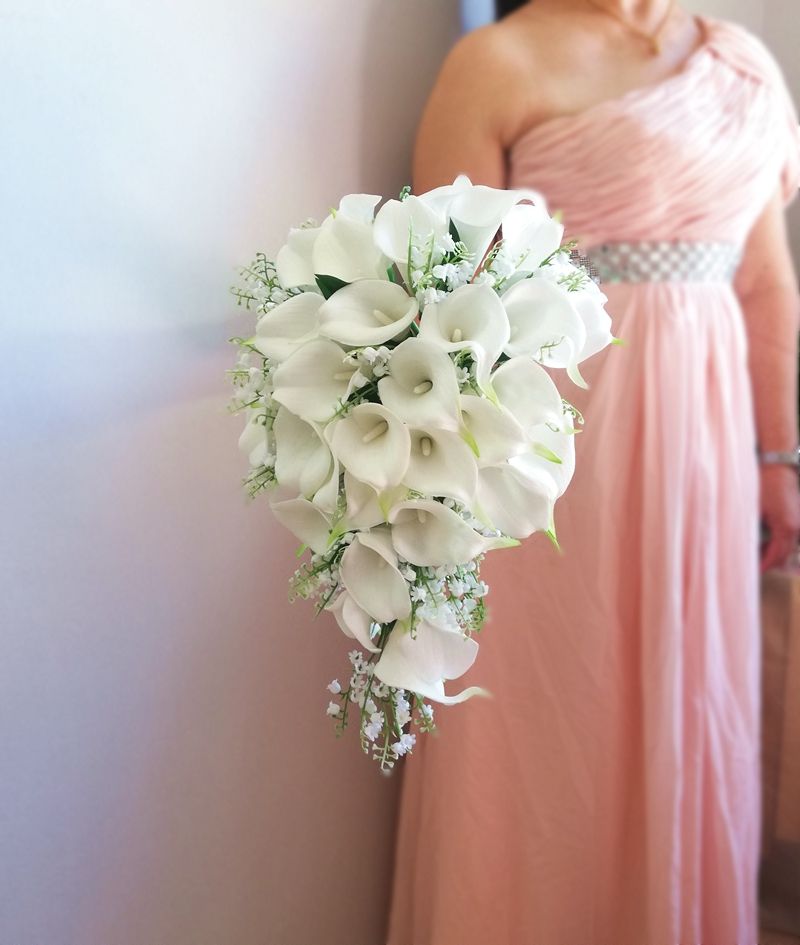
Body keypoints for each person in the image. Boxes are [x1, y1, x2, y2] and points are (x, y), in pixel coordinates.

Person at [387, 2, 800, 943]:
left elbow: (766, 282)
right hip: (554, 451)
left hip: (704, 448)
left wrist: (777, 456)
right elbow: (443, 296)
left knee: (685, 695)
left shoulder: (743, 68)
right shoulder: (495, 62)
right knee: (552, 703)